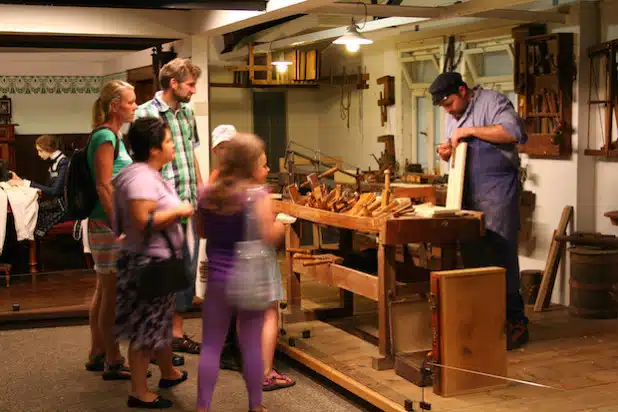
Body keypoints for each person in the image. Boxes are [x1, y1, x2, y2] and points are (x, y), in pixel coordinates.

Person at [430, 71, 529, 350]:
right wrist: (446, 150)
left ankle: (515, 322)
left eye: (449, 103)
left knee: (500, 253)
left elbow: (513, 133)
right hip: (468, 193)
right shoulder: (453, 115)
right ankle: (484, 322)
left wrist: (470, 131)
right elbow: (455, 147)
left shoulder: (492, 102)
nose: (447, 111)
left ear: (462, 90)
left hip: (496, 191)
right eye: (443, 107)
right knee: (473, 254)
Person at [196, 133, 284, 412]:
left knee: (210, 346)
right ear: (249, 165)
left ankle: (203, 406)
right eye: (263, 163)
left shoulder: (207, 193)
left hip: (218, 280)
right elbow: (269, 235)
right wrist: (282, 225)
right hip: (248, 281)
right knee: (250, 346)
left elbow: (201, 232)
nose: (265, 169)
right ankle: (255, 405)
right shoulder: (257, 196)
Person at [112, 117, 191, 409]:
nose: (173, 145)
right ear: (154, 149)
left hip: (155, 259)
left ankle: (168, 372)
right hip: (149, 262)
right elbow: (143, 220)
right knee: (146, 329)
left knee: (159, 321)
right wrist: (180, 210)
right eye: (169, 141)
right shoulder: (141, 177)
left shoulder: (145, 173)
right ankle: (139, 391)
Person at [134, 58, 203, 356]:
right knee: (160, 275)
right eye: (190, 84)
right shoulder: (145, 113)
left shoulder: (187, 113)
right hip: (162, 210)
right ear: (173, 83)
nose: (194, 90)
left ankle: (176, 335)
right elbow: (139, 165)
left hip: (189, 204)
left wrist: (202, 191)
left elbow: (191, 153)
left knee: (185, 273)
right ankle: (154, 342)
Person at [84, 79, 137, 379]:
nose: (134, 106)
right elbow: (104, 185)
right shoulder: (106, 136)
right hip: (107, 224)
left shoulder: (112, 135)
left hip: (104, 222)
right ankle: (113, 358)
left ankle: (97, 351)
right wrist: (119, 224)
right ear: (115, 105)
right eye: (130, 101)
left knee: (104, 290)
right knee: (111, 292)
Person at [8, 135, 69, 236]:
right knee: (28, 208)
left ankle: (28, 240)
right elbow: (47, 187)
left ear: (48, 149)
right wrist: (22, 181)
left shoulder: (63, 163)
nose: (39, 154)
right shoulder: (54, 162)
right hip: (55, 202)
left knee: (30, 210)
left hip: (62, 206)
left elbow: (54, 191)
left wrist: (26, 183)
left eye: (40, 151)